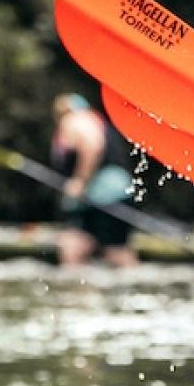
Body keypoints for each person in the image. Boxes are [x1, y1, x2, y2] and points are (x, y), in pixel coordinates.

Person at [50, 93, 138, 268]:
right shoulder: (95, 120)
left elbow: (93, 145)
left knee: (109, 250)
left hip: (104, 195)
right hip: (112, 192)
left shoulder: (75, 120)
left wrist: (80, 181)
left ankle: (78, 288)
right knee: (80, 244)